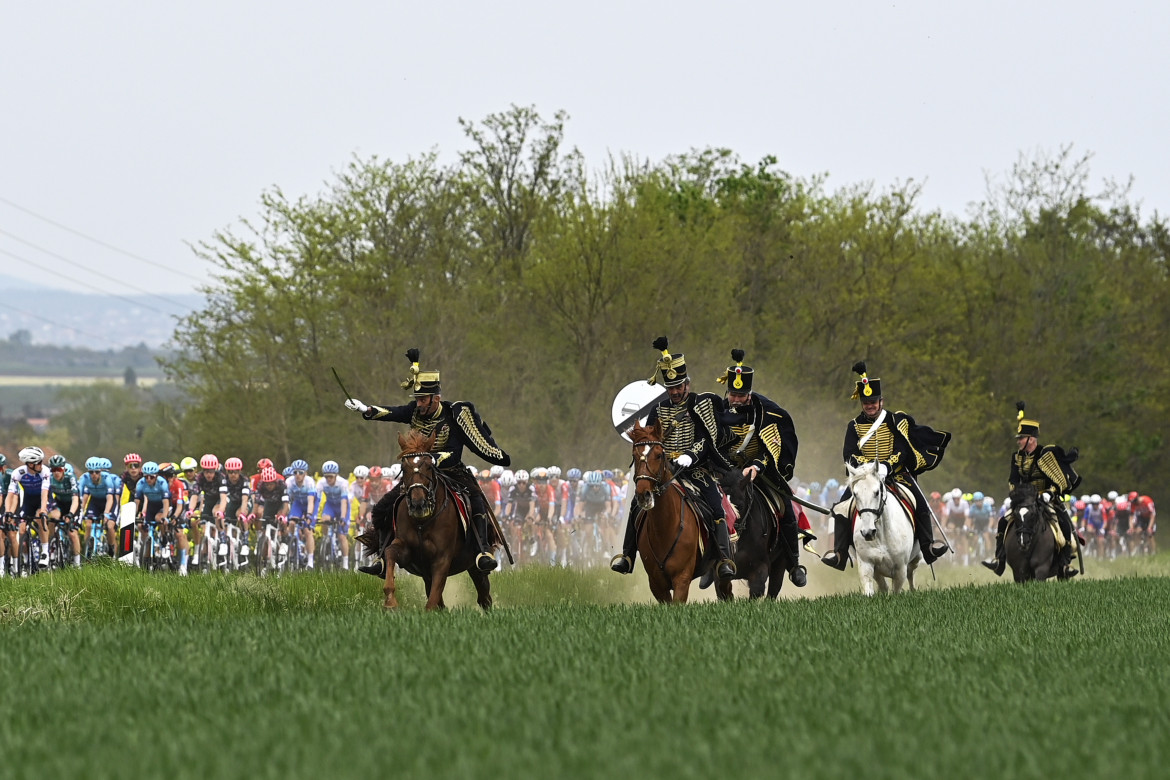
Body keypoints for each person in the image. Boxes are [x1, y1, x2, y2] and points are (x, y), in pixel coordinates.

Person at [344, 347, 512, 574]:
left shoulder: (453, 415)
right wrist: (366, 408)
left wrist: (430, 458)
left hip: (452, 470)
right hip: (419, 472)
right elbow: (393, 412)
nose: (419, 403)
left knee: (477, 502)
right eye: (418, 399)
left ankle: (482, 551)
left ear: (436, 398)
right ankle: (383, 558)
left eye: (423, 399)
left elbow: (453, 453)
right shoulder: (414, 411)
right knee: (384, 507)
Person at [611, 337, 735, 581]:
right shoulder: (658, 409)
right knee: (639, 504)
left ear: (687, 384)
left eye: (679, 386)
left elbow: (706, 438)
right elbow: (648, 438)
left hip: (696, 470)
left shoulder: (700, 404)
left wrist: (691, 455)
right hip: (664, 470)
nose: (675, 392)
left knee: (716, 506)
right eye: (671, 388)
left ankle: (723, 560)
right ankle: (627, 556)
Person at [822, 362, 951, 570]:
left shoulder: (893, 420)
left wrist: (886, 467)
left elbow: (902, 450)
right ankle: (840, 553)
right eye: (866, 402)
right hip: (865, 478)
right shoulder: (853, 426)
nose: (870, 405)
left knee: (920, 502)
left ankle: (928, 546)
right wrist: (867, 469)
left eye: (873, 401)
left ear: (881, 401)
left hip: (895, 475)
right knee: (841, 507)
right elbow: (849, 455)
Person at [714, 349, 807, 587]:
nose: (736, 399)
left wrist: (757, 465)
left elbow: (772, 448)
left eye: (741, 395)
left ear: (749, 393)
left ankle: (794, 563)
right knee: (707, 506)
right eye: (733, 394)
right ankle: (709, 561)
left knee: (785, 507)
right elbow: (713, 445)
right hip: (727, 473)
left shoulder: (766, 413)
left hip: (760, 473)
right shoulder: (718, 412)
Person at [982, 401, 1082, 577]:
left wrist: (1049, 493)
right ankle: (1000, 560)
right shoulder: (1016, 457)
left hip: (1046, 498)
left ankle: (1064, 564)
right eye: (1019, 439)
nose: (1018, 441)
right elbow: (1013, 479)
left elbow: (1058, 481)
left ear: (1031, 439)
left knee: (1064, 524)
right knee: (1003, 521)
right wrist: (1015, 494)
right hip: (1023, 499)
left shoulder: (1045, 454)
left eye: (1021, 438)